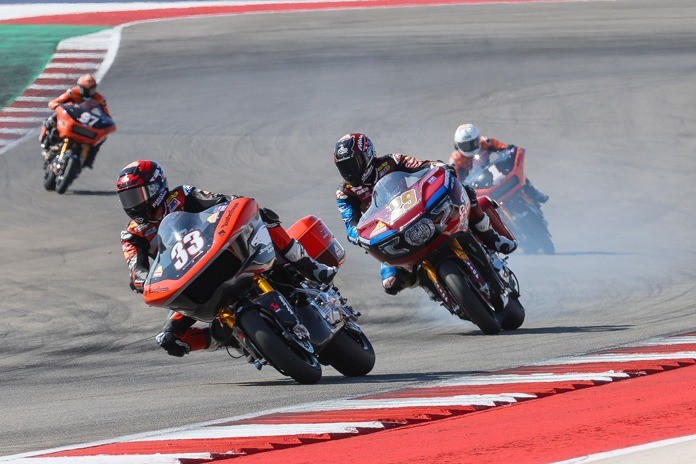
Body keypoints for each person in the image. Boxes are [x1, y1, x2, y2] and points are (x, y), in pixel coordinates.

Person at [117, 160, 337, 357]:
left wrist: (233, 209)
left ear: (157, 187)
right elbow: (136, 268)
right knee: (169, 338)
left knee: (265, 216)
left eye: (138, 195)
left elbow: (225, 203)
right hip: (190, 282)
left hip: (222, 254)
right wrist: (143, 279)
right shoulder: (132, 234)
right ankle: (236, 339)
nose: (133, 204)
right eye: (127, 198)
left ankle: (310, 266)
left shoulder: (183, 195)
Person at [333, 132, 517, 296]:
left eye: (353, 163)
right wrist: (358, 237)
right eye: (344, 167)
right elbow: (351, 225)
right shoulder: (345, 192)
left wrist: (440, 166)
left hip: (418, 209)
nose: (349, 171)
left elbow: (422, 165)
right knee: (389, 284)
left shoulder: (391, 162)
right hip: (389, 230)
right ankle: (433, 288)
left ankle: (491, 236)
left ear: (367, 155)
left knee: (466, 191)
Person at [449, 123, 548, 204]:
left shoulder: (485, 142)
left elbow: (503, 148)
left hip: (489, 170)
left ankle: (533, 192)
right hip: (474, 182)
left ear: (478, 139)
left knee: (516, 168)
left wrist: (509, 151)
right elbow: (455, 180)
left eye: (473, 143)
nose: (471, 147)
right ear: (458, 145)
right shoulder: (456, 160)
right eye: (466, 145)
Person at [39, 74, 111, 168]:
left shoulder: (99, 99)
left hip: (85, 121)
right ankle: (44, 140)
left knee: (102, 137)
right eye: (84, 90)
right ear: (79, 86)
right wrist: (56, 106)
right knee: (52, 119)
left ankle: (89, 159)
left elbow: (106, 115)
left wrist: (106, 124)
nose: (87, 93)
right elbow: (54, 102)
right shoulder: (72, 92)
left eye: (90, 90)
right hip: (68, 115)